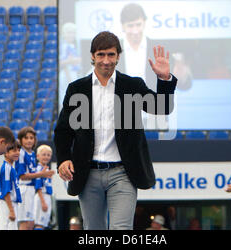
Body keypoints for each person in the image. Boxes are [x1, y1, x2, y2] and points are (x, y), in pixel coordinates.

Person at [54, 31, 177, 230]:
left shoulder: (132, 85)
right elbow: (63, 130)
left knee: (121, 229)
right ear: (92, 56)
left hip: (123, 173)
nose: (106, 60)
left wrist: (164, 80)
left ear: (118, 56)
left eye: (111, 54)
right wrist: (64, 158)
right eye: (101, 54)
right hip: (87, 173)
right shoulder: (77, 89)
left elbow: (161, 107)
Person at [16, 127, 52, 230]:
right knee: (24, 223)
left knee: (31, 223)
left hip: (31, 190)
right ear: (21, 140)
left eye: (31, 138)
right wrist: (41, 174)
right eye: (26, 138)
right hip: (25, 188)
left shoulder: (31, 153)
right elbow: (22, 176)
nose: (29, 140)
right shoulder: (21, 153)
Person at [0, 140, 22, 230]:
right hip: (7, 204)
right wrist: (11, 210)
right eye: (14, 150)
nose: (17, 153)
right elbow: (6, 191)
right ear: (6, 153)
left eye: (19, 150)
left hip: (11, 204)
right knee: (6, 227)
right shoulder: (7, 168)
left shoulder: (11, 167)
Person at [33, 145, 56, 230]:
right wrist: (43, 201)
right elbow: (38, 186)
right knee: (39, 223)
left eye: (48, 155)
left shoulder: (47, 169)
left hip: (47, 196)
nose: (46, 157)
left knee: (44, 223)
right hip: (41, 196)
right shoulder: (39, 169)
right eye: (44, 154)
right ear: (38, 156)